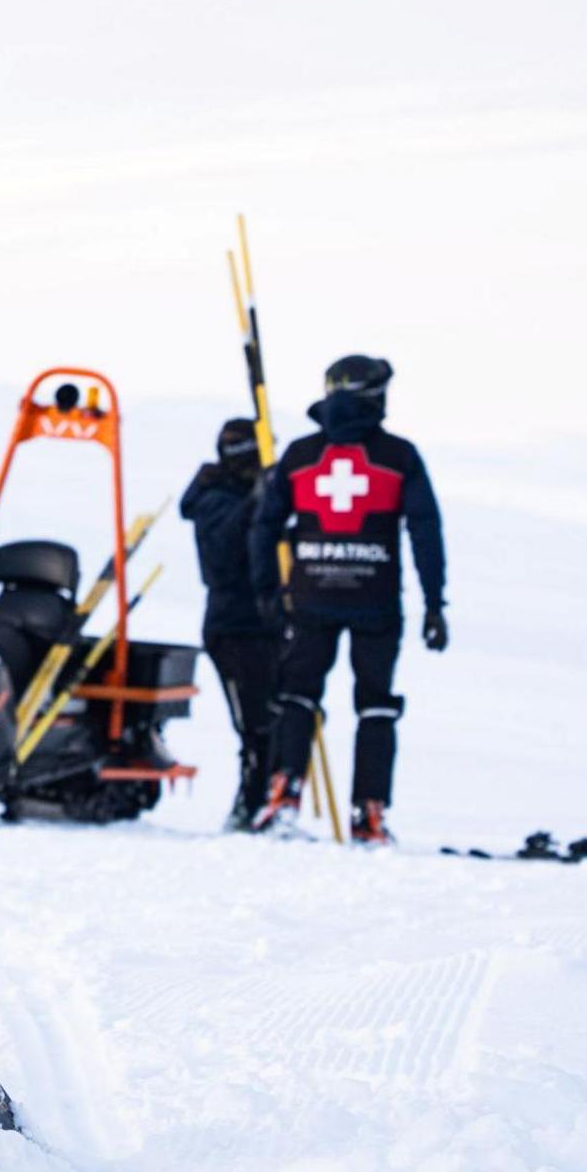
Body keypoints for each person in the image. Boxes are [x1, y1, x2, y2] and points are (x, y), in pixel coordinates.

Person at [247, 355, 448, 845]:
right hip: (377, 603)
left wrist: (266, 589)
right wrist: (434, 602)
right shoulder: (400, 457)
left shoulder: (298, 456)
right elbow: (426, 531)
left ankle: (283, 794)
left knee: (296, 696)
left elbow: (263, 525)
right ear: (373, 396)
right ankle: (370, 814)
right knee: (376, 705)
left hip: (309, 597)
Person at [180, 418, 278, 831]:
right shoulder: (214, 499)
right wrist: (257, 503)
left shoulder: (267, 501)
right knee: (255, 724)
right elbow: (223, 559)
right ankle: (250, 804)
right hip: (235, 627)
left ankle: (273, 799)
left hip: (273, 624)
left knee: (279, 719)